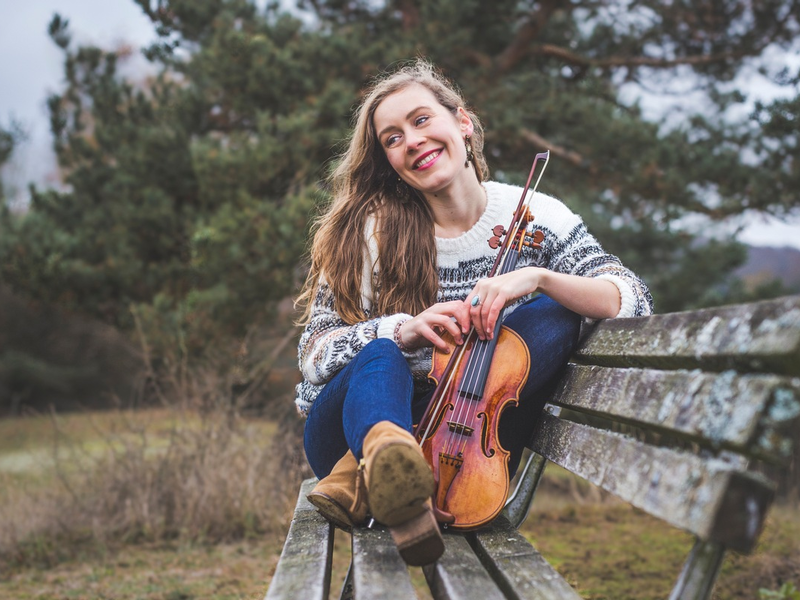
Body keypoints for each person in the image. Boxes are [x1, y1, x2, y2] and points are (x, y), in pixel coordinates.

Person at [294, 60, 653, 566]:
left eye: (421, 120)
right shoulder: (368, 235)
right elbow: (313, 354)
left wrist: (539, 277)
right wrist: (402, 330)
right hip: (347, 436)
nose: (411, 141)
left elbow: (631, 298)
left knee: (557, 309)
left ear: (462, 122)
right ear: (389, 160)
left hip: (466, 444)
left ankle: (399, 490)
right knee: (381, 351)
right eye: (392, 138)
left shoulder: (535, 217)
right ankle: (389, 471)